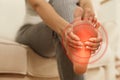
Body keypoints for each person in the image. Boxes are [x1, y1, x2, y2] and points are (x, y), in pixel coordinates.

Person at [16, 0, 102, 80]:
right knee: (61, 5)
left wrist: (88, 16)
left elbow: (85, 2)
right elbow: (38, 5)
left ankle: (76, 42)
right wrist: (68, 31)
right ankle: (76, 42)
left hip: (66, 25)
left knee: (66, 23)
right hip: (30, 32)